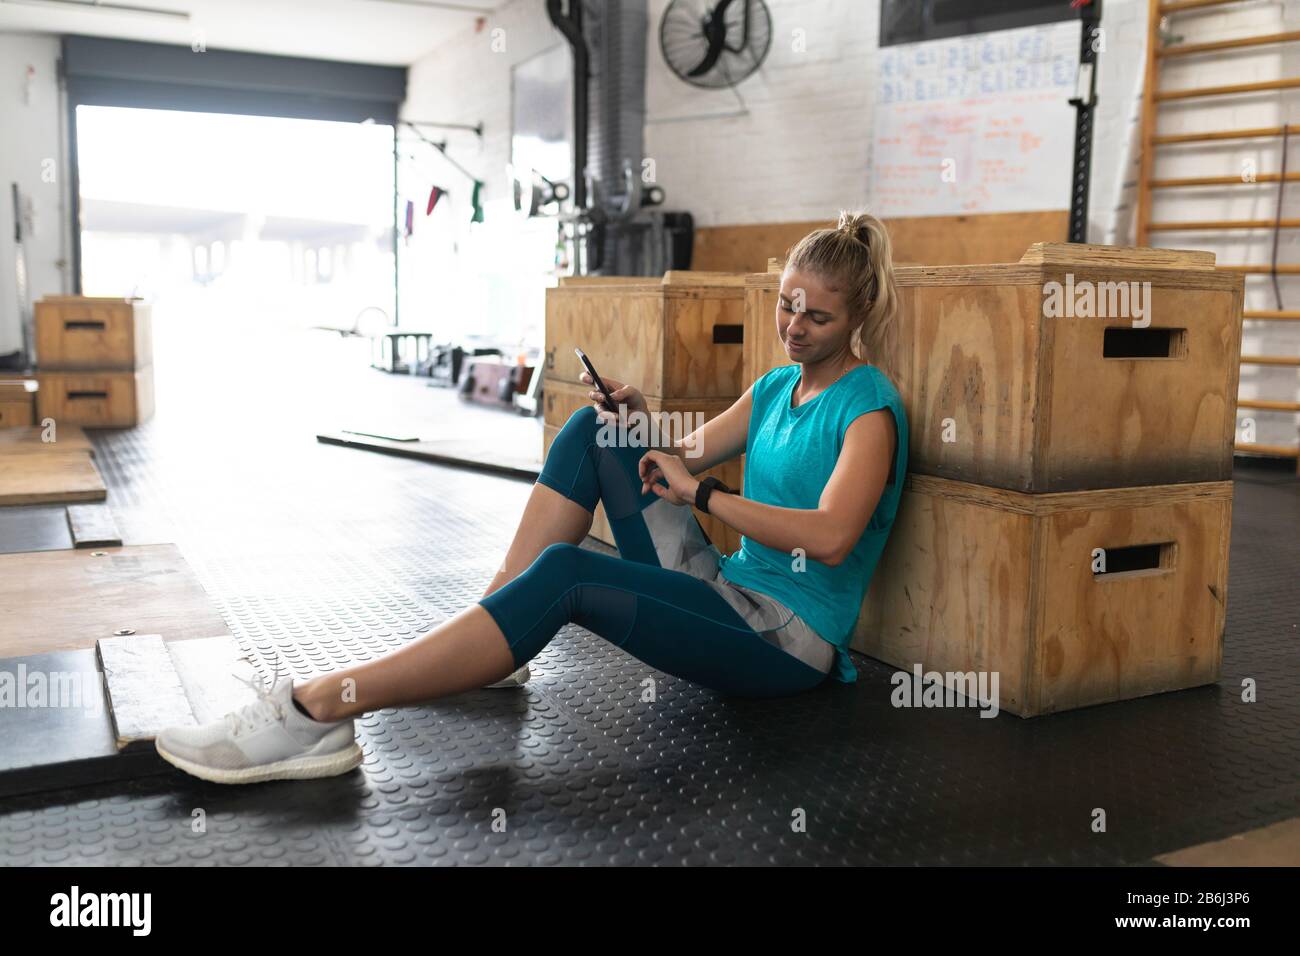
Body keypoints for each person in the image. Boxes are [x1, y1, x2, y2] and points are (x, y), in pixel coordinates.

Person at [155, 210, 910, 785]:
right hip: (726, 591)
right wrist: (640, 420)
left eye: (818, 317)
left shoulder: (867, 409)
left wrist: (705, 497)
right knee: (594, 428)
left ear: (858, 318)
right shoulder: (778, 385)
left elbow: (832, 537)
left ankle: (317, 711)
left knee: (567, 572)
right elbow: (678, 454)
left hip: (784, 638)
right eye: (786, 306)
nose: (794, 327)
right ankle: (493, 641)